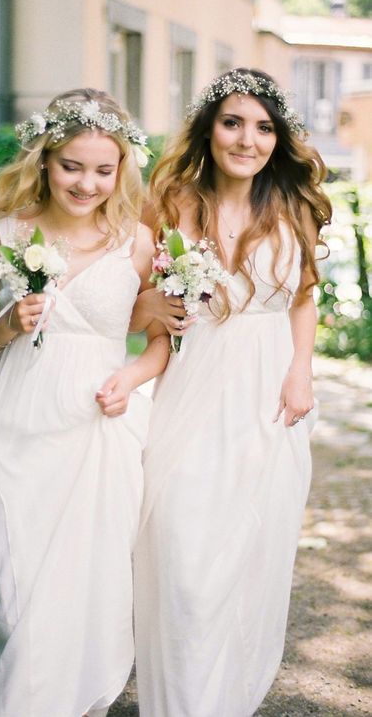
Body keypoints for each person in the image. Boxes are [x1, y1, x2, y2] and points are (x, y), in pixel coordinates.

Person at [0, 88, 169, 717]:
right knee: (17, 574)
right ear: (44, 160)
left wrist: (131, 380)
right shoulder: (3, 233)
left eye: (104, 170)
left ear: (122, 168)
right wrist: (7, 322)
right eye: (72, 166)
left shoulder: (137, 241)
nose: (87, 182)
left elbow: (161, 340)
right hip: (24, 420)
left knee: (89, 580)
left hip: (102, 427)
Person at [131, 68, 332, 716]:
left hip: (268, 394)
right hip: (191, 385)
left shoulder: (291, 205)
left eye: (264, 126)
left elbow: (303, 296)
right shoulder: (169, 203)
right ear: (209, 128)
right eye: (234, 122)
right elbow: (127, 305)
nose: (249, 139)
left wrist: (301, 368)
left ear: (278, 137)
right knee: (183, 556)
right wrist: (149, 306)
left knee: (249, 555)